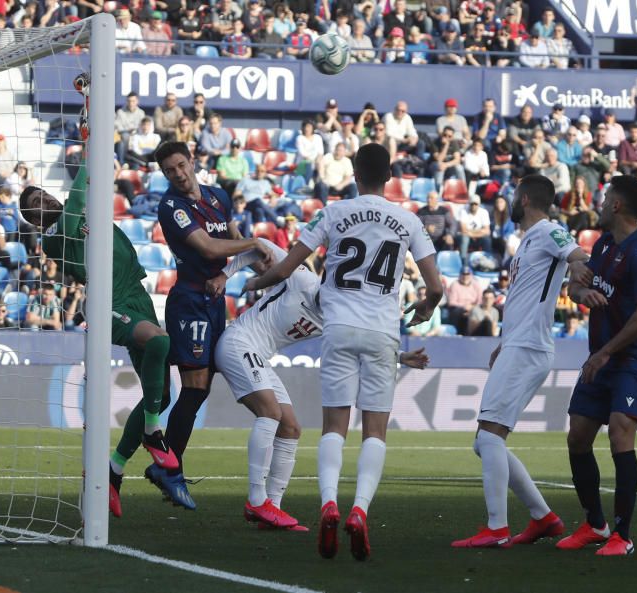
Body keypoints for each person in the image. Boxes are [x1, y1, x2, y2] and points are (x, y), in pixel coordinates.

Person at [243, 143, 442, 561]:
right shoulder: (408, 220)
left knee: (334, 426)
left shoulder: (332, 213)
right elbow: (436, 287)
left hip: (338, 328)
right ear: (389, 174)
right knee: (375, 431)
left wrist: (252, 285)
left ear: (354, 172)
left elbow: (285, 268)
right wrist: (426, 307)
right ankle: (359, 511)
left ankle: (329, 503)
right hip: (382, 332)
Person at [209, 239, 429, 530]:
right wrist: (228, 275)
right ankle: (256, 499)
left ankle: (271, 508)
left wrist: (400, 357)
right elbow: (260, 245)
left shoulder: (335, 321)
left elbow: (364, 349)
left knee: (290, 428)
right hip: (238, 343)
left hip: (259, 356)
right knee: (271, 414)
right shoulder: (301, 277)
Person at [20, 159, 178, 519]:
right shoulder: (56, 236)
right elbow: (76, 201)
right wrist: (93, 152)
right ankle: (153, 432)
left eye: (43, 195)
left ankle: (113, 472)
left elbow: (83, 201)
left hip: (136, 295)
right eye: (36, 206)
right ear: (35, 221)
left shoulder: (82, 215)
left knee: (162, 393)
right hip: (109, 302)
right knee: (158, 342)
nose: (44, 201)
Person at [451, 175, 590, 548]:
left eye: (513, 196)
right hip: (517, 344)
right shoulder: (527, 239)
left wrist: (577, 270)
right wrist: (504, 341)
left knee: (489, 435)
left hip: (529, 347)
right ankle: (543, 517)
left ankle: (497, 528)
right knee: (485, 441)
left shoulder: (548, 231)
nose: (510, 201)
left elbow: (578, 255)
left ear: (525, 198)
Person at [152, 141, 274, 510]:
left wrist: (272, 272)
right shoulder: (171, 206)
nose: (178, 173)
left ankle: (168, 469)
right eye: (170, 170)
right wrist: (257, 242)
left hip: (215, 302)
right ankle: (168, 470)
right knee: (194, 387)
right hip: (189, 302)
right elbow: (207, 247)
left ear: (192, 162)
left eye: (181, 165)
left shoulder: (219, 195)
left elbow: (234, 241)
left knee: (200, 389)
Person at [560, 175, 637, 556]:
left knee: (620, 432)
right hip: (600, 355)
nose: (601, 204)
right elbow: (575, 287)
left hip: (633, 357)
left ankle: (623, 534)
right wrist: (581, 291)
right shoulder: (602, 244)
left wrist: (604, 353)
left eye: (605, 199)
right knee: (578, 436)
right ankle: (595, 525)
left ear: (617, 206)